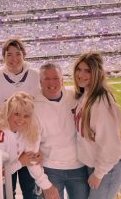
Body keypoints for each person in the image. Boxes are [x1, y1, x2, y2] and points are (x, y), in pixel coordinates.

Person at [0, 38, 40, 199]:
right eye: (9, 54)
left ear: (24, 55)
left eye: (18, 54)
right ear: (3, 57)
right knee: (7, 191)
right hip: (7, 144)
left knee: (30, 190)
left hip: (30, 141)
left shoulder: (36, 76)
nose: (14, 59)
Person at [73, 52, 121, 199]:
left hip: (108, 167)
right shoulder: (87, 94)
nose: (81, 74)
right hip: (97, 163)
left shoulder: (100, 103)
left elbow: (111, 146)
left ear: (96, 73)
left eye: (87, 71)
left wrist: (98, 173)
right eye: (79, 69)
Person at [33, 62, 89, 199]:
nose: (51, 82)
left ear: (62, 80)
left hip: (79, 167)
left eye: (56, 78)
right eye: (47, 78)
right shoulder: (33, 106)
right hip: (50, 169)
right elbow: (31, 148)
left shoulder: (76, 98)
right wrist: (43, 182)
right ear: (40, 82)